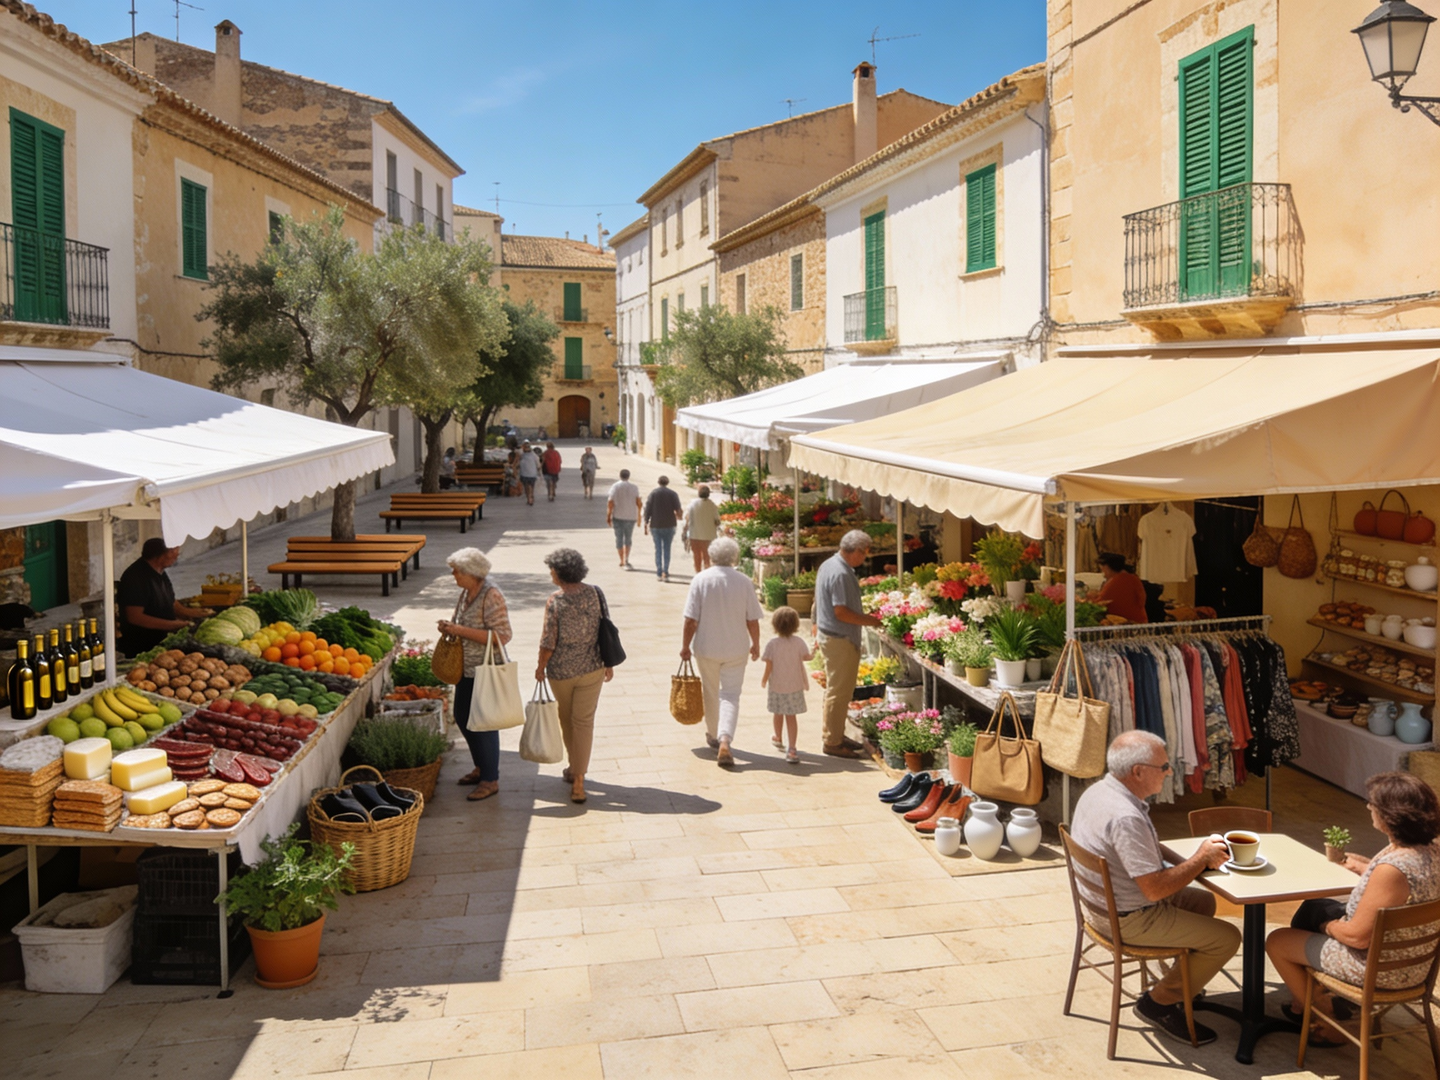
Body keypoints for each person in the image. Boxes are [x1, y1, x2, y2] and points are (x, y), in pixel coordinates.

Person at [1070, 730, 1237, 1046]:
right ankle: (1157, 1004)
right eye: (1164, 767)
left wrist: (1191, 861)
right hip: (1129, 917)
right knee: (1227, 938)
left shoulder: (1099, 793)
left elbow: (1145, 848)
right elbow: (1155, 890)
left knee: (1203, 903)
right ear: (1137, 772)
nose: (1170, 772)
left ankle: (1182, 983)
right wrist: (1200, 858)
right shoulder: (1125, 816)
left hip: (1102, 907)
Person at [1265, 771, 1440, 1044]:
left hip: (1379, 969)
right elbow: (1402, 888)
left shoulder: (1393, 870)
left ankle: (1327, 1020)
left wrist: (1327, 925)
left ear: (1389, 816)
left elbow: (1357, 937)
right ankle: (1314, 1000)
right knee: (1312, 909)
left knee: (1278, 940)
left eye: (1373, 804)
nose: (1369, 807)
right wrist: (1362, 866)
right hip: (1416, 965)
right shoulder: (1431, 852)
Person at [537, 548, 613, 805]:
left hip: (561, 672)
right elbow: (606, 626)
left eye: (551, 570)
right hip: (593, 667)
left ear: (558, 572)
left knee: (567, 721)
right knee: (584, 723)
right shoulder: (595, 593)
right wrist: (609, 662)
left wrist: (540, 667)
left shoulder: (555, 601)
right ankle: (578, 780)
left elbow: (548, 640)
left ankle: (574, 769)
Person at [438, 548, 512, 802]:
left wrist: (459, 629)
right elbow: (464, 624)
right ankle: (482, 767)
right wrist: (451, 628)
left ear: (472, 573)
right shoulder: (467, 592)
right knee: (462, 717)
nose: (454, 575)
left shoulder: (490, 595)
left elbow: (502, 636)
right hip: (465, 667)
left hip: (484, 668)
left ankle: (490, 779)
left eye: (457, 571)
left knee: (484, 723)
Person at [680, 537, 762, 768]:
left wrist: (685, 646)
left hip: (707, 647)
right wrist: (755, 644)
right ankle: (726, 738)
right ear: (734, 556)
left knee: (711, 691)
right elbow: (752, 619)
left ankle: (713, 735)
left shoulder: (701, 580)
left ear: (712, 555)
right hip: (736, 648)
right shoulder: (744, 582)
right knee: (731, 695)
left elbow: (690, 620)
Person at [814, 530, 883, 759]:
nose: (865, 558)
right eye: (865, 553)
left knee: (838, 691)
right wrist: (871, 620)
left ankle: (834, 733)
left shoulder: (830, 565)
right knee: (839, 692)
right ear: (856, 551)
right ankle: (832, 742)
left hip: (833, 635)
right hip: (839, 638)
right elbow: (841, 612)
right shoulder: (840, 573)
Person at [118, 538, 212, 655]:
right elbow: (135, 617)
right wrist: (172, 625)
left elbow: (170, 601)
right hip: (144, 644)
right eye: (174, 552)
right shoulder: (136, 577)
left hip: (164, 638)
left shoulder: (160, 571)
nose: (176, 556)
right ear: (161, 555)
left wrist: (192, 613)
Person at [762, 606, 811, 764]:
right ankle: (792, 749)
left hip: (777, 685)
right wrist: (815, 651)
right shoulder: (799, 642)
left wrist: (764, 680)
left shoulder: (772, 644)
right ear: (796, 625)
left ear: (775, 624)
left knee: (778, 713)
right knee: (791, 717)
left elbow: (768, 665)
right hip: (795, 685)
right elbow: (806, 657)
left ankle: (778, 737)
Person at [644, 475, 684, 581]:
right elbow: (678, 510)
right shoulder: (673, 494)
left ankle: (659, 571)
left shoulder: (653, 493)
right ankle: (665, 571)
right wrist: (680, 517)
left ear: (658, 482)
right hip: (669, 524)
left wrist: (646, 522)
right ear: (667, 482)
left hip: (656, 524)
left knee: (658, 548)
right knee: (667, 548)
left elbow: (648, 508)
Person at [1092, 552, 1149, 624]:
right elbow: (1141, 600)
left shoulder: (1116, 581)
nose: (1103, 574)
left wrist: (1090, 598)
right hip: (1140, 622)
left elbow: (1099, 604)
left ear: (1106, 567)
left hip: (1125, 625)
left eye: (1102, 570)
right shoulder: (1134, 578)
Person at [683, 484, 723, 572]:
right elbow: (717, 521)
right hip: (709, 535)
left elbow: (687, 518)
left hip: (695, 534)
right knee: (707, 556)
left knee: (697, 556)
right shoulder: (712, 505)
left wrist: (685, 530)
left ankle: (698, 573)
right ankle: (707, 573)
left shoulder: (692, 504)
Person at [607, 469, 642, 568]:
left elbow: (610, 502)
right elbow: (638, 502)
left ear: (620, 476)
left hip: (618, 516)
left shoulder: (615, 487)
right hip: (631, 516)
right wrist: (639, 516)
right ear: (628, 476)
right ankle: (626, 559)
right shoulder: (634, 487)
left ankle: (621, 559)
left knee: (619, 538)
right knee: (628, 538)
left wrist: (608, 516)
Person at [517, 441, 539, 505]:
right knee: (531, 487)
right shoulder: (533, 455)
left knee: (527, 487)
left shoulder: (521, 455)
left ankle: (529, 498)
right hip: (532, 474)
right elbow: (538, 464)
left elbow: (517, 463)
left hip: (525, 474)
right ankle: (531, 497)